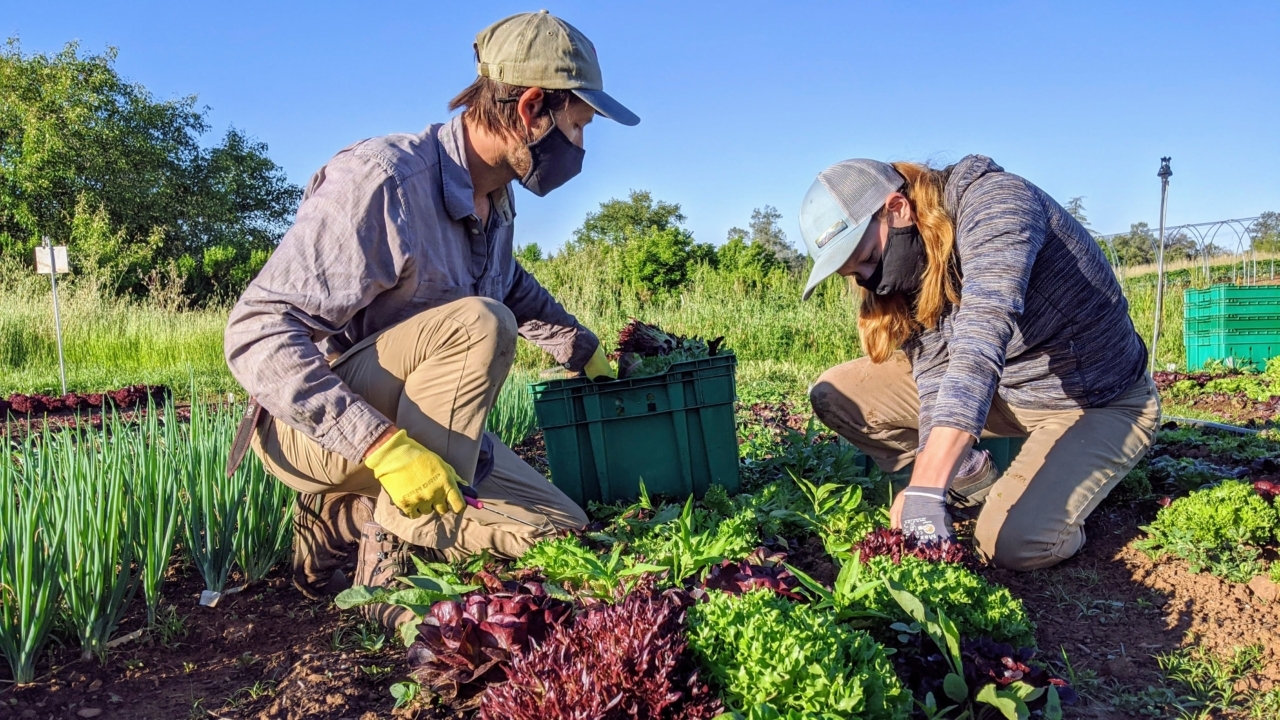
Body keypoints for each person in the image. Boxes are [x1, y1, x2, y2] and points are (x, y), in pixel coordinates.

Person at [223, 11, 635, 618]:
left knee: (559, 528)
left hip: (408, 426)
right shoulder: (383, 181)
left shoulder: (495, 199)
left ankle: (353, 511)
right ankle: (387, 563)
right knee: (481, 323)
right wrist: (382, 447)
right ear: (529, 109)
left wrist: (581, 348)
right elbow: (257, 331)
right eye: (577, 126)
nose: (579, 147)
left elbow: (509, 283)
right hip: (321, 428)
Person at [798, 156, 1160, 571]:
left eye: (865, 257)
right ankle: (973, 480)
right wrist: (932, 478)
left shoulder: (996, 203)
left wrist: (926, 484)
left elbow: (979, 342)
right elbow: (934, 372)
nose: (869, 279)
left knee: (1011, 546)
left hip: (1091, 402)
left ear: (897, 210)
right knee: (839, 394)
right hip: (1005, 391)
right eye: (855, 274)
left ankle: (1062, 498)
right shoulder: (916, 254)